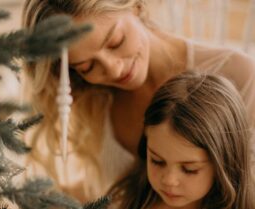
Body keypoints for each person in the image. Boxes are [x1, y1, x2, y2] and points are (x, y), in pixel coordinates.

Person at [21, 0, 255, 201]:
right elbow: (110, 190)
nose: (113, 69)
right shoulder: (95, 98)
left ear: (135, 6)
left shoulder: (238, 75)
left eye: (116, 41)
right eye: (87, 66)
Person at [108, 71, 255, 209]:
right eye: (157, 161)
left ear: (224, 164)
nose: (169, 181)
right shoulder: (127, 198)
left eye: (189, 170)